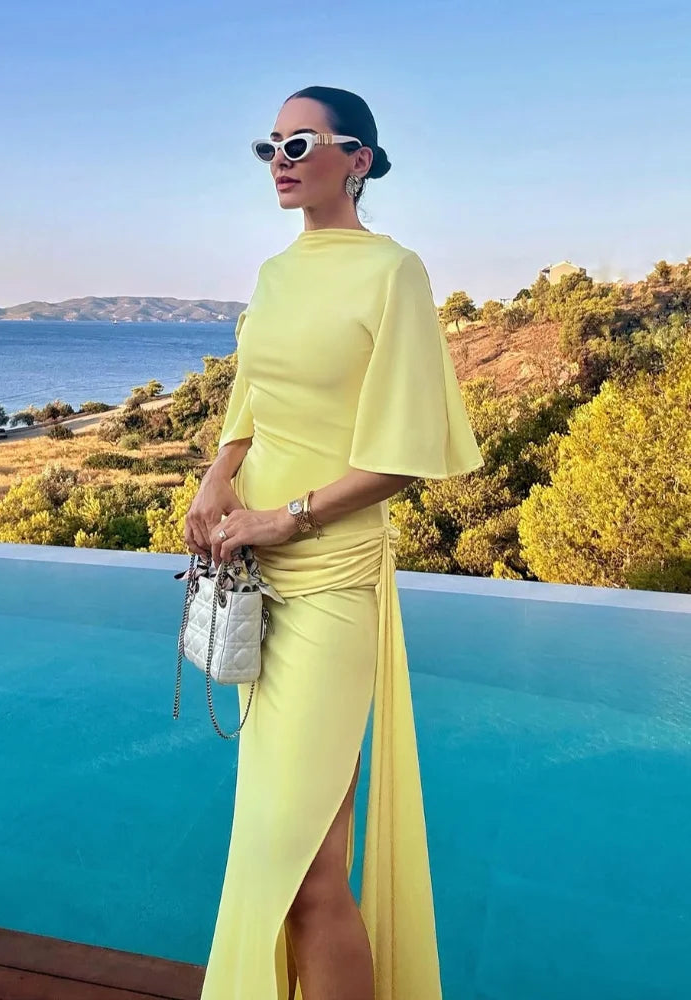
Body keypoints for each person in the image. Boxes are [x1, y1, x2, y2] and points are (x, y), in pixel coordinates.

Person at [184, 85, 484, 1000]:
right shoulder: (278, 274)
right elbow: (252, 397)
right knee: (289, 859)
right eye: (268, 144)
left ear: (357, 157)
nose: (280, 158)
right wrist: (217, 477)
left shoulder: (394, 271)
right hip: (254, 575)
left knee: (305, 871)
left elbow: (407, 454)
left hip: (329, 580)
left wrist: (286, 517)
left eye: (299, 141)